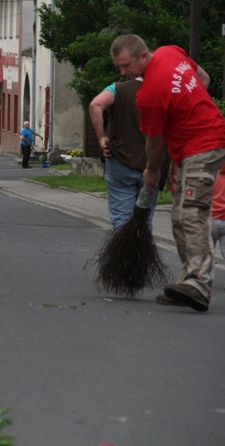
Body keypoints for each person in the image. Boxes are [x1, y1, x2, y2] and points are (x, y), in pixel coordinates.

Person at [110, 34, 225, 312]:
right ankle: (187, 281)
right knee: (177, 217)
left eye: (126, 66)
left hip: (204, 145)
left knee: (191, 213)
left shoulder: (149, 95)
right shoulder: (170, 52)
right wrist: (192, 111)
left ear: (143, 56)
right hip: (198, 144)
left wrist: (151, 171)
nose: (123, 73)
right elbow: (203, 78)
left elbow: (154, 142)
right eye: (119, 68)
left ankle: (198, 284)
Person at [89, 79, 159, 229]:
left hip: (120, 159)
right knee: (145, 220)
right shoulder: (166, 89)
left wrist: (101, 137)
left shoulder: (118, 89)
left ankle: (123, 251)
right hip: (153, 164)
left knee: (122, 218)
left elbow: (95, 105)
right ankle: (143, 251)